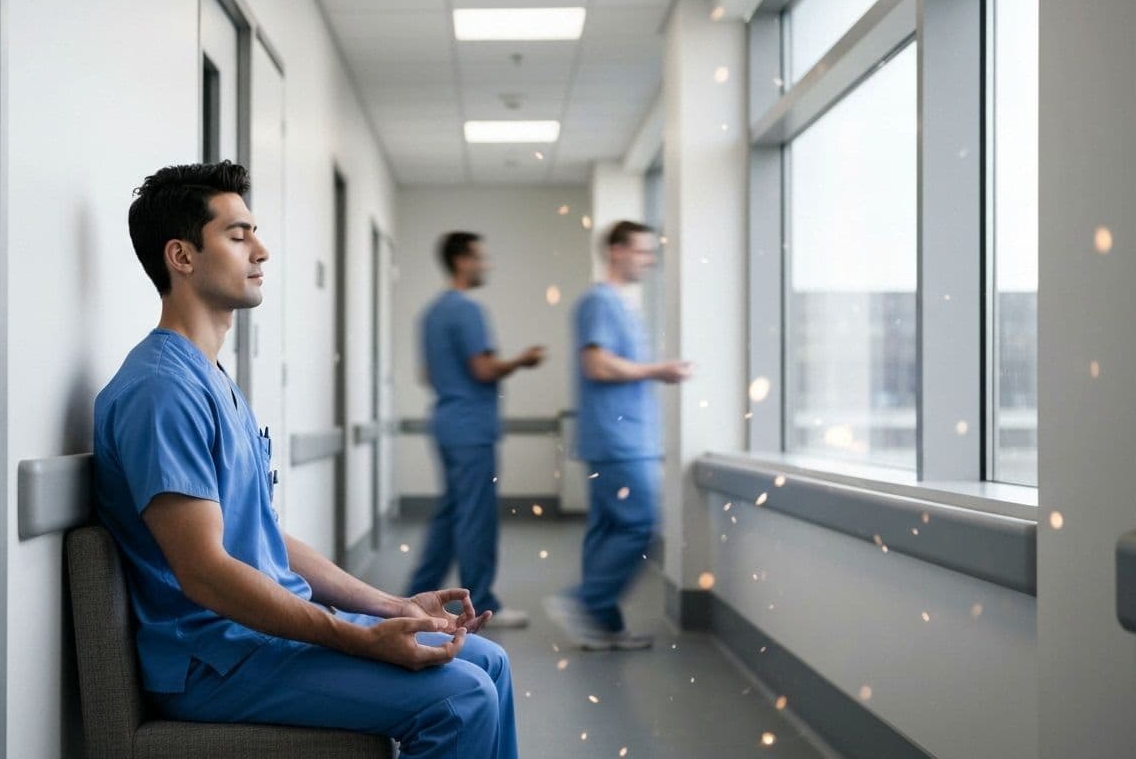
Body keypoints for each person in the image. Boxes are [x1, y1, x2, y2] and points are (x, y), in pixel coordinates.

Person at [94, 162, 518, 759]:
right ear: (181, 256)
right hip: (215, 658)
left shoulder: (212, 379)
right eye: (238, 236)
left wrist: (390, 606)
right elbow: (205, 572)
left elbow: (265, 536)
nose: (261, 250)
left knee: (490, 663)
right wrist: (356, 638)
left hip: (259, 635)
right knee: (462, 697)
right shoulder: (161, 390)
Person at [544, 220, 693, 651]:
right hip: (619, 440)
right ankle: (585, 602)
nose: (649, 261)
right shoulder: (600, 302)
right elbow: (597, 365)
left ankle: (602, 626)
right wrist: (658, 370)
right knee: (639, 523)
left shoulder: (619, 306)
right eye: (642, 251)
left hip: (618, 438)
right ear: (617, 250)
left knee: (608, 529)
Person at [406, 232, 545, 630]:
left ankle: (413, 598)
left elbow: (427, 373)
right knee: (475, 520)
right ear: (461, 261)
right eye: (481, 258)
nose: (487, 265)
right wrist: (521, 361)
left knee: (451, 516)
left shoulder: (432, 314)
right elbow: (483, 369)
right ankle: (481, 605)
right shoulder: (467, 310)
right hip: (471, 428)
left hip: (447, 423)